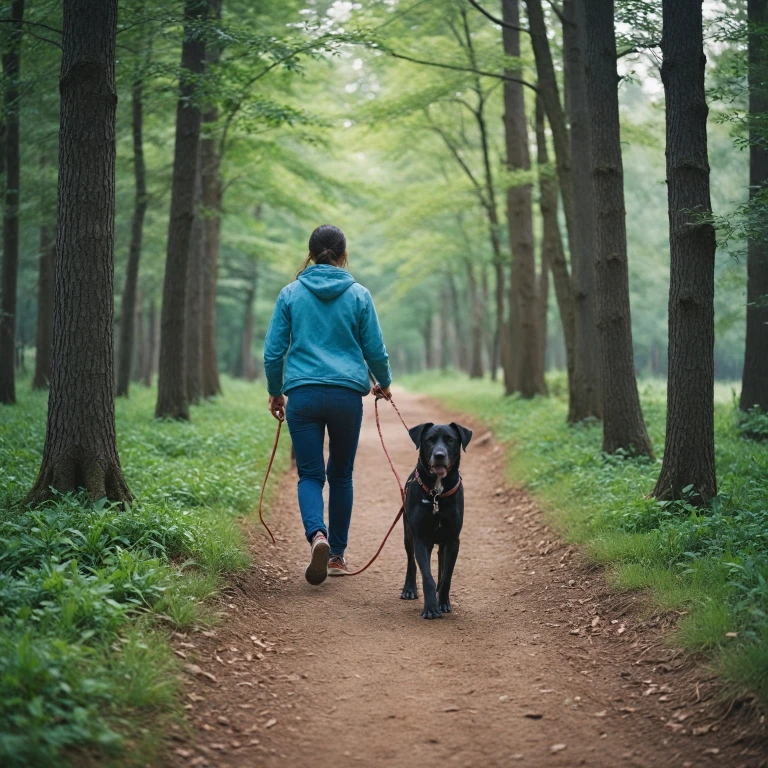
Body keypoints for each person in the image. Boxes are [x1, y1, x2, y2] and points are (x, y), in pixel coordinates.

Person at [263, 225, 392, 586]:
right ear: (343, 254)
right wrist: (384, 382)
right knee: (340, 475)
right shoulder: (359, 295)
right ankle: (336, 554)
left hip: (302, 395)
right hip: (346, 396)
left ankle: (316, 535)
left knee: (310, 475)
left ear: (310, 252)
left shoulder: (290, 293)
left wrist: (276, 391)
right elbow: (375, 350)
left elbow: (274, 351)